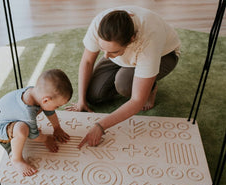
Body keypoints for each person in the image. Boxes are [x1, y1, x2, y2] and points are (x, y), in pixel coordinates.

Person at [65, 6, 181, 148]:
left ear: (132, 39)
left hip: (165, 55)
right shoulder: (100, 25)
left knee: (125, 85)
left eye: (112, 51)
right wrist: (81, 99)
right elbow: (88, 61)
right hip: (123, 57)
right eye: (102, 49)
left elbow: (137, 100)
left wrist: (100, 126)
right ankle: (123, 63)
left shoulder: (149, 40)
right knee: (93, 95)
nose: (105, 56)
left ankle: (151, 86)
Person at [0, 69, 73, 176]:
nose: (57, 108)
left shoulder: (35, 93)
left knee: (32, 119)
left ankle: (18, 132)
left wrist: (57, 128)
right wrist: (46, 139)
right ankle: (16, 159)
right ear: (46, 100)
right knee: (22, 129)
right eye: (57, 106)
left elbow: (49, 110)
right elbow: (34, 136)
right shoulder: (28, 111)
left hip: (10, 118)